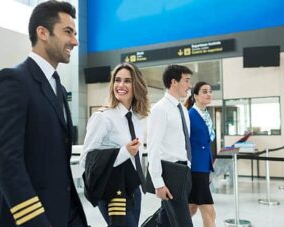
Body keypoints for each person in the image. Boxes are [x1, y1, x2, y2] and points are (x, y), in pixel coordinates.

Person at [0, 1, 88, 226]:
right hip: (31, 217)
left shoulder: (59, 88)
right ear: (42, 33)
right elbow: (7, 160)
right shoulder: (13, 80)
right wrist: (35, 220)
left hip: (63, 213)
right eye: (68, 32)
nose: (75, 41)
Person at [80, 62, 150, 226]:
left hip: (133, 189)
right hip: (112, 190)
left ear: (136, 85)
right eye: (117, 80)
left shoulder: (137, 118)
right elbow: (86, 159)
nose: (120, 85)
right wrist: (124, 152)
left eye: (127, 81)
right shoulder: (103, 117)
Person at [147, 64, 194, 227]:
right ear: (174, 82)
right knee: (184, 223)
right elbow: (152, 148)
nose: (190, 85)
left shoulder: (183, 110)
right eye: (187, 81)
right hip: (171, 174)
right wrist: (158, 183)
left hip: (185, 172)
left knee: (165, 222)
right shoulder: (160, 109)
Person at [185, 81, 216, 227]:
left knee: (191, 208)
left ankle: (172, 223)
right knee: (209, 210)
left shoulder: (206, 115)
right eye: (204, 91)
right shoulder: (190, 115)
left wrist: (210, 167)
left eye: (210, 91)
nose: (209, 94)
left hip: (204, 167)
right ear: (195, 95)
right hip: (195, 168)